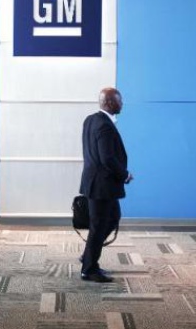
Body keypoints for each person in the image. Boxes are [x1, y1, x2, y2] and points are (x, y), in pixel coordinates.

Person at [79, 87, 133, 283]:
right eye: (120, 100)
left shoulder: (91, 120)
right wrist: (125, 174)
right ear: (111, 103)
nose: (122, 104)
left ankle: (88, 257)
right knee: (99, 226)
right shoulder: (104, 126)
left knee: (111, 220)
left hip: (96, 184)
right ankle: (89, 269)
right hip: (102, 186)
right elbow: (107, 158)